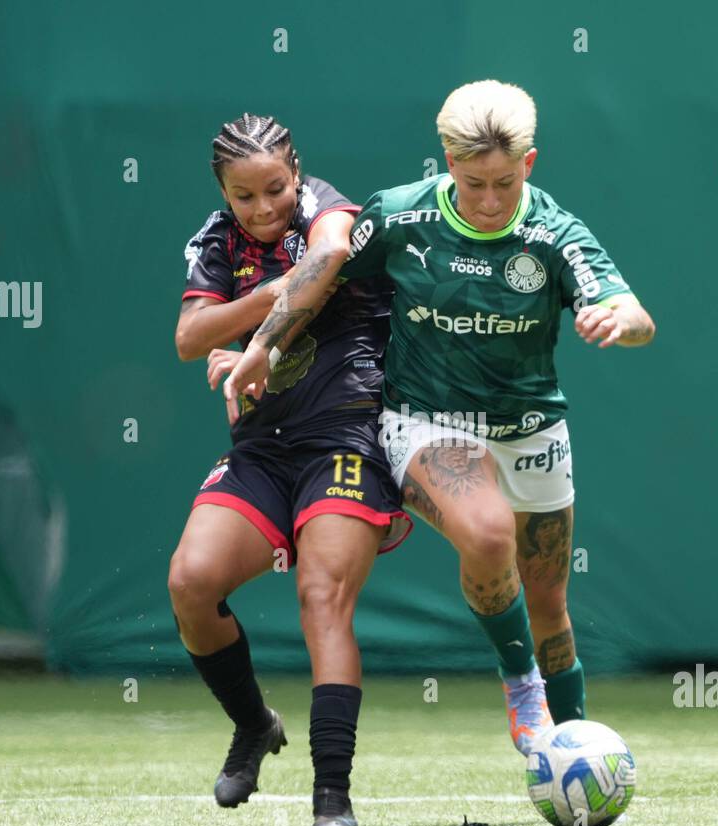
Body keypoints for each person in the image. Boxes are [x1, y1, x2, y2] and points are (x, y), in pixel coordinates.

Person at [226, 81, 655, 756]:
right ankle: (521, 688)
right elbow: (322, 276)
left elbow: (637, 316)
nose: (488, 201)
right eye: (473, 180)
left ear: (530, 165)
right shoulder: (397, 218)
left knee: (548, 604)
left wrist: (618, 320)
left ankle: (573, 756)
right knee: (486, 538)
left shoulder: (554, 232)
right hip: (427, 423)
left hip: (532, 431)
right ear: (447, 162)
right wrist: (264, 344)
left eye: (505, 184)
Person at [169, 113, 410, 826]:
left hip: (346, 439)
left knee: (321, 595)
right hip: (264, 447)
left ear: (297, 174)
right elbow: (189, 338)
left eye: (276, 187)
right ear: (224, 193)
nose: (265, 207)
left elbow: (329, 256)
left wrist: (252, 340)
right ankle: (253, 724)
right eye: (245, 196)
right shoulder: (218, 241)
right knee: (191, 583)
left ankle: (330, 796)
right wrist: (261, 301)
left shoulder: (328, 211)